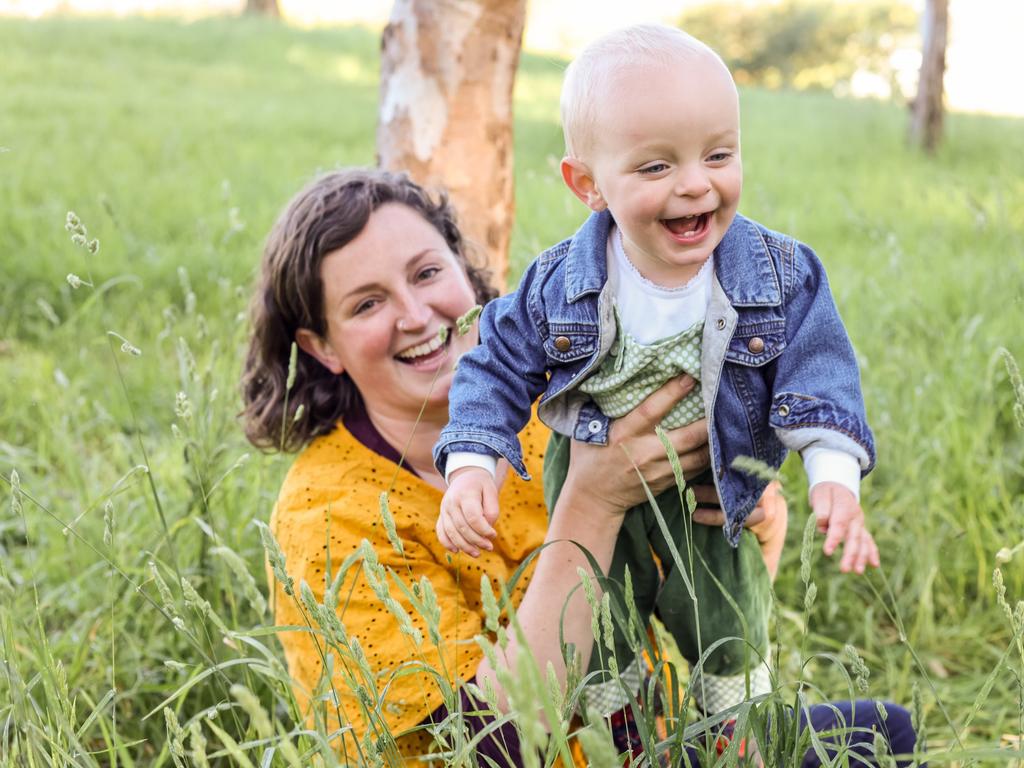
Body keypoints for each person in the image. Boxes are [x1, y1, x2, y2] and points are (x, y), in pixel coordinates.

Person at [242, 168, 918, 766]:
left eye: (427, 273)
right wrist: (590, 505)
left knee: (883, 734)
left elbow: (679, 612)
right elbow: (488, 748)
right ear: (320, 346)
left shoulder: (557, 408)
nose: (416, 316)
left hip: (652, 738)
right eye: (366, 304)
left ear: (465, 272)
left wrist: (744, 522)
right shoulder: (327, 516)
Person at [434, 24, 880, 719]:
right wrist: (471, 465)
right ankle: (621, 723)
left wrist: (834, 479)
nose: (695, 184)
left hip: (712, 492)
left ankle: (730, 724)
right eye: (655, 167)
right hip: (592, 480)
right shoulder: (560, 282)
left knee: (727, 621)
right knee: (601, 615)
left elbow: (817, 371)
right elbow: (495, 368)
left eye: (719, 154)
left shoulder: (777, 273)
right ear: (588, 184)